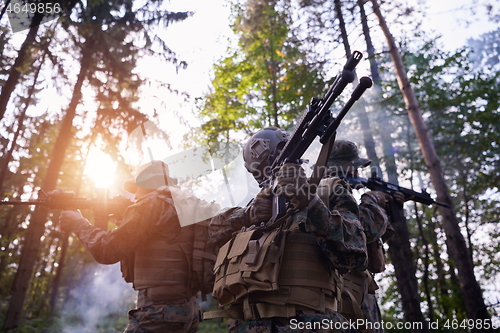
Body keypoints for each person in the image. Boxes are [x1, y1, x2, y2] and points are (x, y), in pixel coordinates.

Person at [205, 127, 368, 332]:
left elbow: (356, 253)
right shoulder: (253, 209)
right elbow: (208, 236)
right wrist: (247, 215)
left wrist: (310, 202)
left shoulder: (327, 190)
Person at [59, 160, 220, 333]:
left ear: (144, 184)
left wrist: (78, 223)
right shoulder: (185, 205)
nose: (135, 195)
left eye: (136, 188)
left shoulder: (151, 204)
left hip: (159, 312)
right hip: (189, 311)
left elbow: (106, 250)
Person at [322, 140, 405, 333]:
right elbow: (361, 231)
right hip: (342, 290)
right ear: (341, 167)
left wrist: (389, 207)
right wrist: (373, 200)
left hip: (354, 288)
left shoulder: (334, 192)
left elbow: (368, 245)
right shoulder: (326, 190)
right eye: (354, 167)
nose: (358, 173)